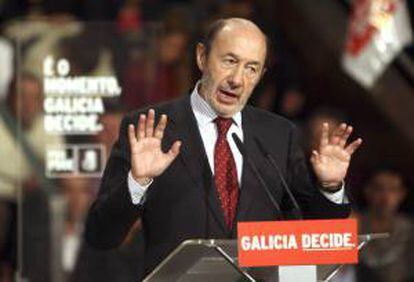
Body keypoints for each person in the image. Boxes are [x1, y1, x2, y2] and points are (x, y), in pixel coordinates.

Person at [85, 18, 362, 279]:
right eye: (230, 61)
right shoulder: (151, 127)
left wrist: (329, 187)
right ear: (202, 57)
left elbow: (320, 231)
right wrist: (138, 182)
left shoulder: (278, 135)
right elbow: (101, 235)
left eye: (251, 68)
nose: (237, 79)